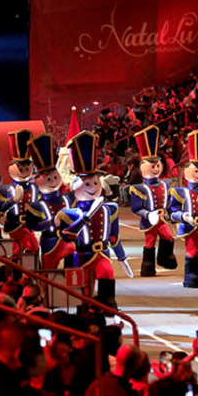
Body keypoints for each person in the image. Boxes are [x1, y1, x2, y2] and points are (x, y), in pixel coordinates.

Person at [56, 131, 134, 309]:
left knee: (106, 273)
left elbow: (114, 237)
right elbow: (66, 237)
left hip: (102, 254)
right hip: (80, 255)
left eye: (94, 184)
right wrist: (84, 219)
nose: (91, 188)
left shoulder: (110, 210)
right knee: (82, 291)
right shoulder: (69, 214)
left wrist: (122, 258)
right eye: (87, 184)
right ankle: (82, 310)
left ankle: (108, 305)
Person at [128, 125, 178, 277]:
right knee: (149, 242)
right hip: (149, 221)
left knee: (168, 237)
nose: (156, 168)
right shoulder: (140, 188)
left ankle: (164, 258)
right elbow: (136, 207)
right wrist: (148, 215)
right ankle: (148, 267)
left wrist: (171, 215)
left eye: (157, 165)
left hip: (161, 219)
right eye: (152, 166)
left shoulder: (165, 184)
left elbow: (168, 201)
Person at [169, 130, 198, 288]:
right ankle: (191, 276)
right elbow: (172, 212)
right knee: (192, 250)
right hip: (190, 227)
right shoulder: (181, 192)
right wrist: (183, 216)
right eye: (196, 170)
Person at [25, 133, 76, 270]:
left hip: (67, 240)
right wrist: (50, 223)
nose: (53, 182)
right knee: (48, 271)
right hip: (49, 241)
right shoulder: (37, 205)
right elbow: (32, 226)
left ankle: (70, 285)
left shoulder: (67, 198)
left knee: (71, 253)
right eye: (49, 179)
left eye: (55, 177)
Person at [0, 129, 39, 256]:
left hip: (29, 224)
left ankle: (30, 270)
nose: (23, 172)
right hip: (14, 224)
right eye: (20, 169)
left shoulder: (34, 188)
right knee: (17, 248)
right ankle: (15, 271)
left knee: (32, 247)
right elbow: (0, 209)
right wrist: (12, 201)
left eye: (26, 168)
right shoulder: (7, 189)